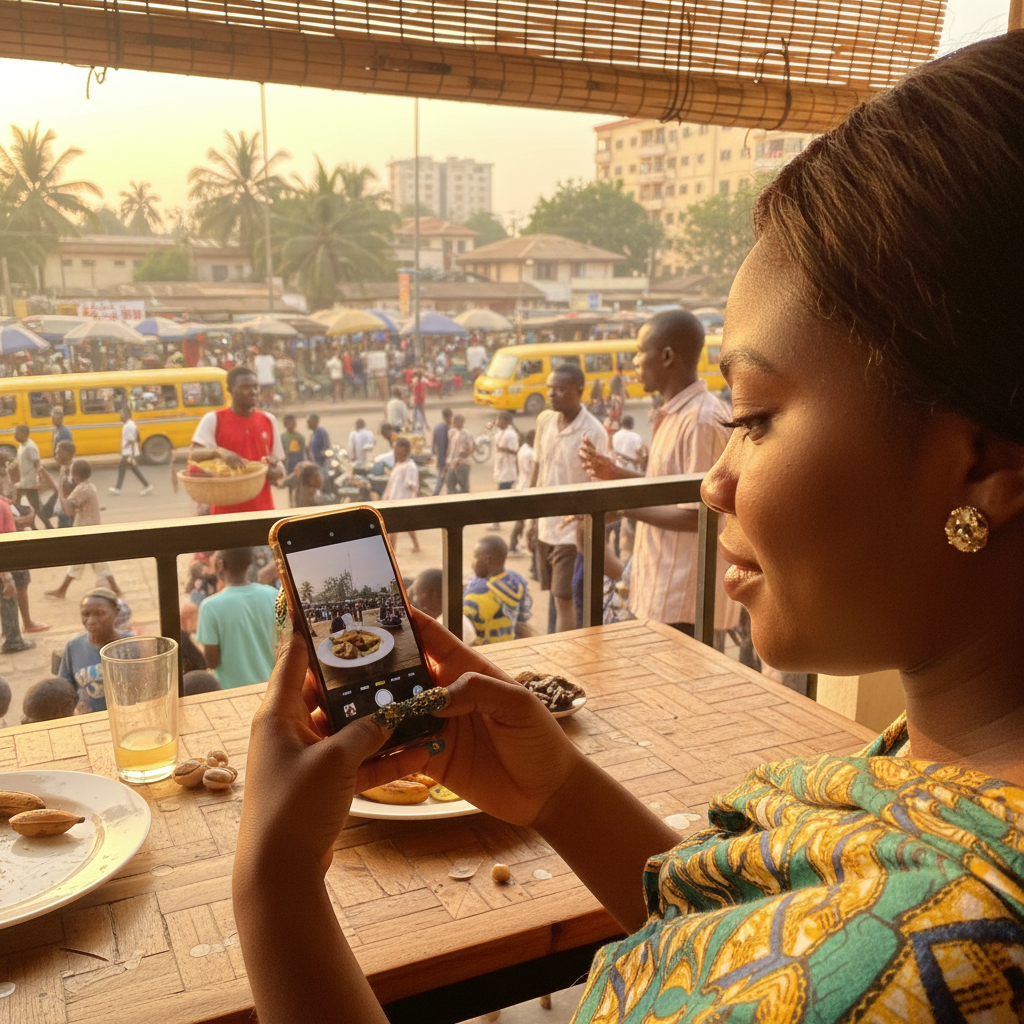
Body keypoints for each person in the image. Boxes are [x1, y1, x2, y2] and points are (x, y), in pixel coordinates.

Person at [233, 34, 1024, 1023]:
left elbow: (827, 971)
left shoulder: (914, 968)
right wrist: (561, 793)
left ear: (982, 465)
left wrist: (272, 889)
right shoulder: (946, 772)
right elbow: (753, 944)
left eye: (754, 416)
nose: (713, 485)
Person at [582, 311, 742, 642]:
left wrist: (623, 506)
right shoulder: (675, 413)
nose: (634, 362)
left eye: (640, 352)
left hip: (685, 598)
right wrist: (617, 474)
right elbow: (673, 487)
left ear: (667, 356)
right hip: (663, 589)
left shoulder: (701, 420)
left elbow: (700, 516)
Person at [529, 363, 609, 633]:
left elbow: (598, 485)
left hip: (571, 532)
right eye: (551, 388)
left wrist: (583, 528)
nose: (553, 394)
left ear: (579, 391)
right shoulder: (545, 421)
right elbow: (538, 467)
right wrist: (529, 518)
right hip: (545, 526)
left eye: (561, 389)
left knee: (565, 599)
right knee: (555, 595)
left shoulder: (593, 431)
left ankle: (563, 657)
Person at [190, 366, 285, 515]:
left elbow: (278, 462)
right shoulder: (214, 419)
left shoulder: (268, 420)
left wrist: (278, 470)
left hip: (263, 510)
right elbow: (193, 454)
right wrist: (219, 452)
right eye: (245, 387)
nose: (253, 392)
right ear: (230, 389)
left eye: (255, 387)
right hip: (225, 513)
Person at [196, 547, 279, 690]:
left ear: (220, 564)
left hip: (232, 692)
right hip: (269, 689)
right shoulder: (272, 595)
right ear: (251, 562)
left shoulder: (210, 606)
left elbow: (212, 662)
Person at [42, 460, 122, 599]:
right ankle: (115, 589)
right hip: (91, 530)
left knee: (80, 563)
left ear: (75, 476)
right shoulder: (88, 486)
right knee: (99, 563)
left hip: (86, 531)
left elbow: (68, 509)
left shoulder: (83, 489)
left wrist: (60, 485)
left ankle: (62, 591)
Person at [59, 588, 126, 713]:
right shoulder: (73, 647)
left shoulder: (132, 645)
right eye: (85, 614)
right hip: (89, 720)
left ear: (116, 612)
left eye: (100, 613)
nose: (90, 621)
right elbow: (64, 691)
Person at [463, 536, 532, 644]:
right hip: (509, 644)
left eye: (475, 557)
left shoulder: (474, 595)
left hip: (482, 652)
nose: (472, 563)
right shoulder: (517, 580)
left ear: (488, 559)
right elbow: (523, 618)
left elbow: (465, 630)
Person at [0, 499, 34, 654]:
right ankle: (13, 640)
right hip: (5, 560)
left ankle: (9, 634)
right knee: (8, 601)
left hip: (7, 559)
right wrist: (6, 576)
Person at [408, 568, 476, 645]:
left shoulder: (446, 625)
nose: (415, 598)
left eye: (417, 593)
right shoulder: (457, 617)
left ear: (434, 595)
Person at [380, 437, 421, 553]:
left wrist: (412, 502)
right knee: (406, 525)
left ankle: (391, 550)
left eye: (398, 449)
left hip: (401, 501)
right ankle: (415, 545)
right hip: (393, 500)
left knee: (394, 527)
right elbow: (391, 485)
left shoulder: (409, 467)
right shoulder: (398, 464)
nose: (395, 451)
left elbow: (413, 486)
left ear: (405, 450)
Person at [109, 407, 153, 496]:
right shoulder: (129, 424)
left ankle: (119, 488)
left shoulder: (129, 426)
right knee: (128, 469)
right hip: (128, 452)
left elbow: (132, 440)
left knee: (125, 468)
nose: (120, 417)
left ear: (127, 415)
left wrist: (130, 454)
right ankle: (119, 488)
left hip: (129, 452)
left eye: (122, 415)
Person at [13, 425, 51, 529]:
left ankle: (49, 526)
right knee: (17, 502)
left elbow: (37, 464)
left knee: (36, 507)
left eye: (16, 434)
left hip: (30, 483)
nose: (14, 436)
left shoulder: (30, 447)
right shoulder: (22, 445)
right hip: (24, 481)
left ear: (23, 435)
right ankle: (29, 525)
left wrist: (38, 481)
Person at [508, 428, 536, 559]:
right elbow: (534, 472)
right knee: (523, 520)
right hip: (527, 487)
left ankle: (515, 544)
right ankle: (513, 545)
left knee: (521, 519)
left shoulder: (523, 449)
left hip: (521, 484)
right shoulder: (531, 453)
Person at [445, 413, 475, 494]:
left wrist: (465, 454)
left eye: (456, 421)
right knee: (449, 484)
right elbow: (450, 448)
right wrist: (448, 462)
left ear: (461, 422)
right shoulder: (452, 433)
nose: (454, 423)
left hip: (462, 464)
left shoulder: (466, 434)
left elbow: (472, 447)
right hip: (452, 463)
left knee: (464, 487)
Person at [431, 407, 453, 495]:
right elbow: (447, 447)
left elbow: (433, 443)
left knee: (445, 482)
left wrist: (435, 455)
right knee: (442, 483)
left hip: (440, 459)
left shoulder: (437, 427)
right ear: (449, 417)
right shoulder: (448, 430)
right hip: (445, 461)